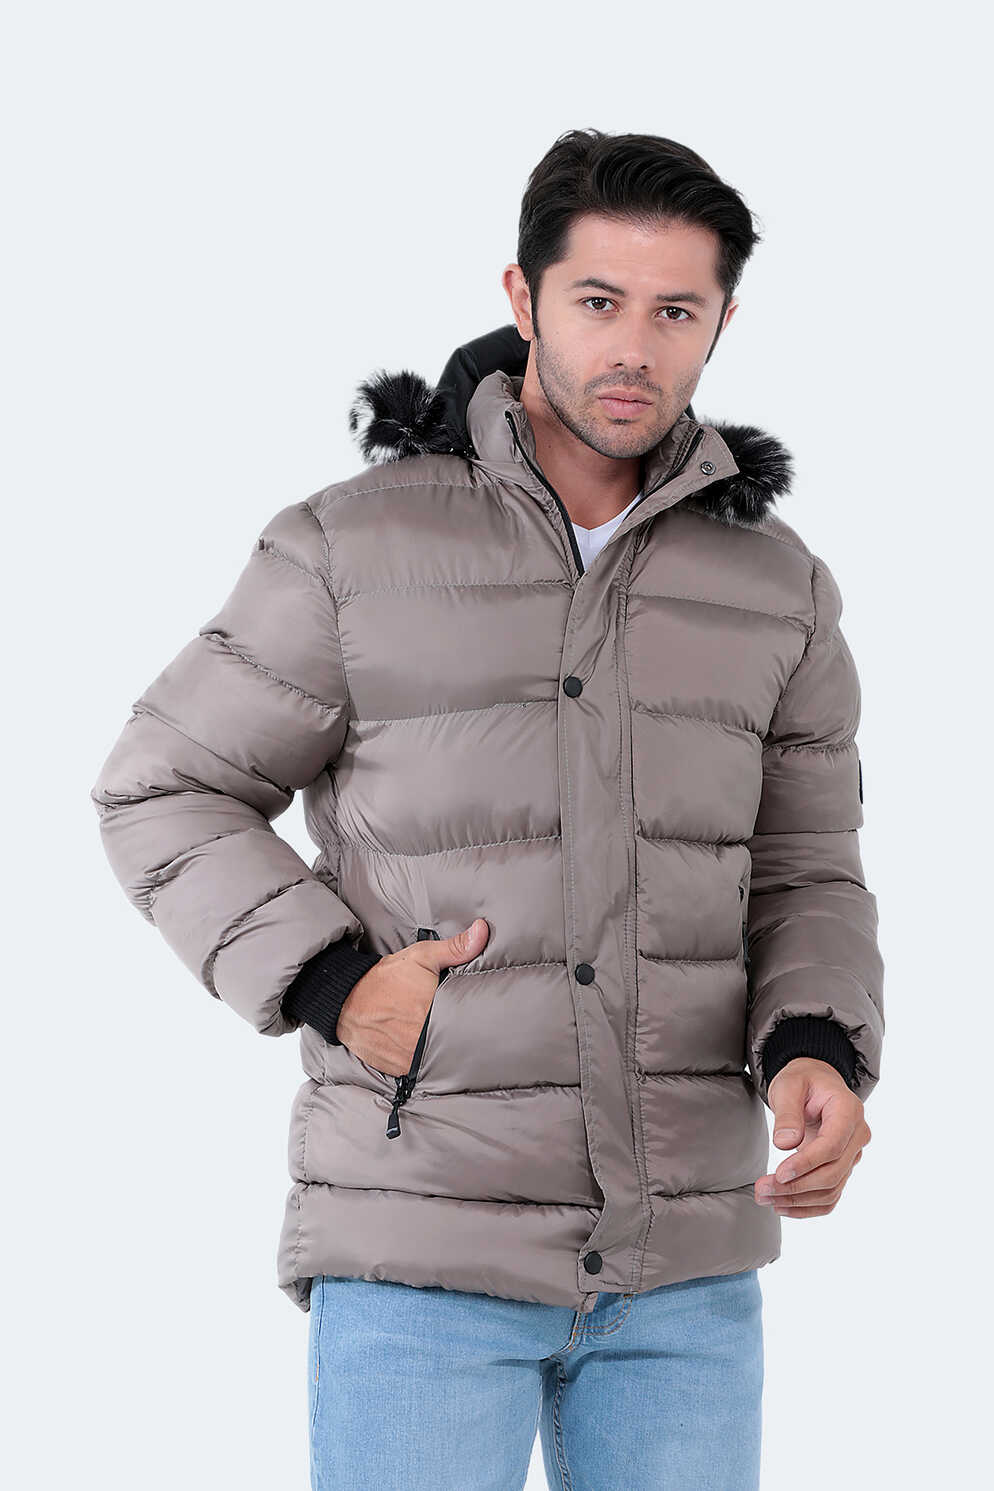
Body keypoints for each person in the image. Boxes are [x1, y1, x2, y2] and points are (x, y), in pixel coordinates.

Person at [90, 129, 885, 1490]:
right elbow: (164, 786)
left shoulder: (776, 586)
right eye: (597, 301)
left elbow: (807, 865)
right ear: (522, 297)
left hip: (685, 1272)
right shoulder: (353, 547)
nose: (632, 348)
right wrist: (334, 984)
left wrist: (814, 1043)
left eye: (675, 311)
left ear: (722, 322)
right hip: (423, 1250)